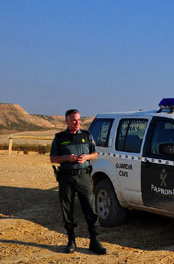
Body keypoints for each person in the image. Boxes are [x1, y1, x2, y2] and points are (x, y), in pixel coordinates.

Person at [50, 109, 107, 255]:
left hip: (84, 177)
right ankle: (71, 241)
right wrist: (67, 158)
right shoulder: (60, 137)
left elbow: (95, 153)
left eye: (79, 120)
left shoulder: (87, 135)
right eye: (74, 120)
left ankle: (94, 242)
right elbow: (53, 158)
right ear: (67, 121)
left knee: (90, 208)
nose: (77, 122)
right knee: (67, 209)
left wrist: (86, 157)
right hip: (66, 178)